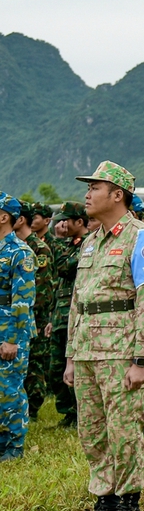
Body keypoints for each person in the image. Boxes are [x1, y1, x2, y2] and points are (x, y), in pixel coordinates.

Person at [64, 163, 144, 511]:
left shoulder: (141, 238)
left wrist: (142, 360)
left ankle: (128, 500)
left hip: (121, 352)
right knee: (91, 429)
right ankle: (104, 497)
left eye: (94, 188)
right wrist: (71, 356)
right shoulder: (91, 242)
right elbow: (80, 301)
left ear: (117, 195)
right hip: (88, 348)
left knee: (124, 429)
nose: (87, 195)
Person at [14, 202, 58, 421]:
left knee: (34, 364)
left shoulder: (37, 248)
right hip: (17, 316)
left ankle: (33, 408)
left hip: (35, 317)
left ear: (21, 219)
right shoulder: (13, 246)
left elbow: (42, 288)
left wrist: (38, 318)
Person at [0, 193, 35, 461]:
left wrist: (12, 339)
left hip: (10, 331)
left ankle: (13, 447)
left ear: (4, 217)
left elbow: (22, 301)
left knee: (8, 390)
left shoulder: (20, 253)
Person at [48, 201, 88, 428]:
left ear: (79, 222)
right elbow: (59, 282)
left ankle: (80, 414)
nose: (61, 224)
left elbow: (64, 267)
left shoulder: (86, 245)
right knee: (56, 369)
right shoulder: (70, 244)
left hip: (76, 316)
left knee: (75, 370)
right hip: (61, 316)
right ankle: (68, 413)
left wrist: (59, 241)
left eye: (65, 220)